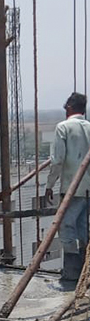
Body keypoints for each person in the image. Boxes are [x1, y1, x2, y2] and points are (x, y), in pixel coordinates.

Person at [45, 92, 90, 281]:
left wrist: (49, 185)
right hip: (88, 189)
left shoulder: (63, 127)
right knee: (83, 228)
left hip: (72, 188)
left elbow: (58, 160)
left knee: (66, 227)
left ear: (69, 108)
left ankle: (72, 273)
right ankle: (85, 272)